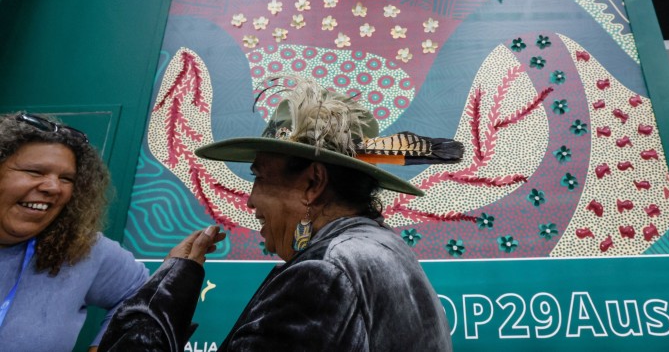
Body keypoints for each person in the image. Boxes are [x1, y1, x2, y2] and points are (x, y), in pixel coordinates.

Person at [101, 75, 459, 351]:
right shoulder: (381, 248)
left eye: (258, 176)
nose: (250, 201)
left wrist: (164, 295)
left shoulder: (324, 274)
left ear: (312, 183)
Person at [0, 112, 150, 351]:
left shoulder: (81, 250)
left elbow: (145, 294)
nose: (53, 187)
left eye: (66, 178)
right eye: (35, 172)